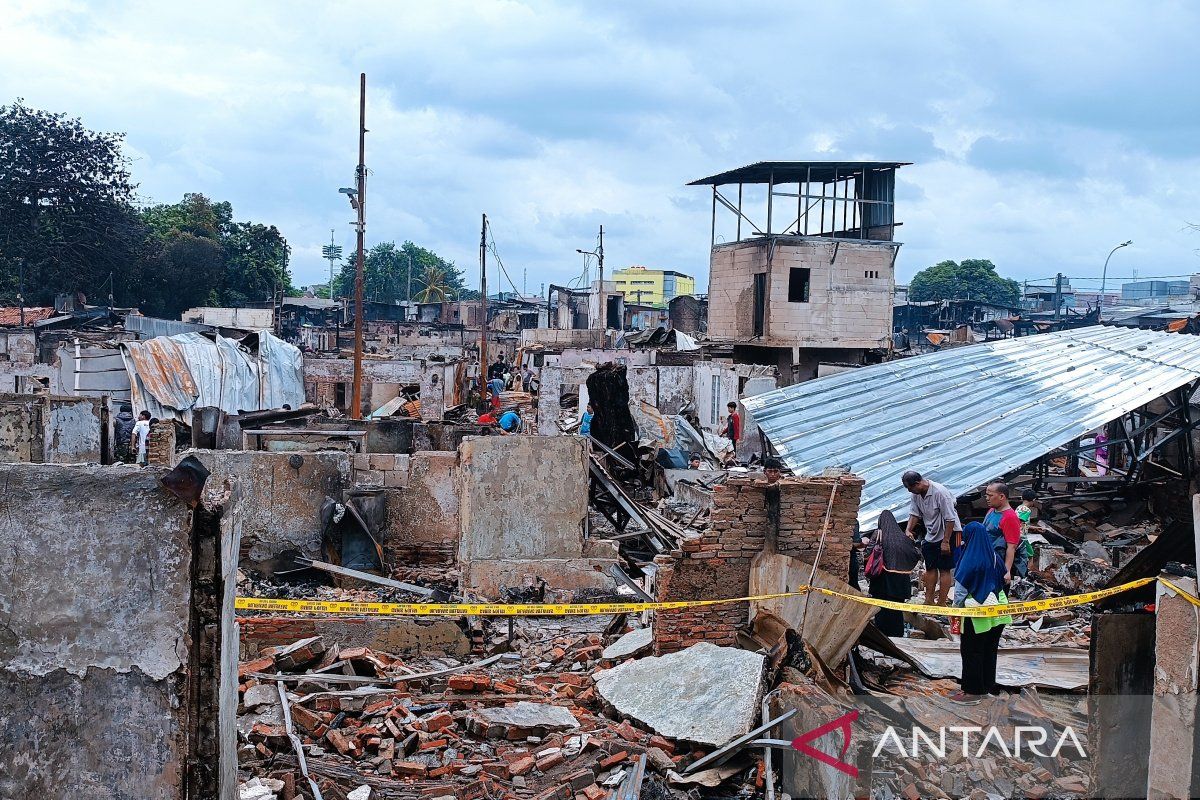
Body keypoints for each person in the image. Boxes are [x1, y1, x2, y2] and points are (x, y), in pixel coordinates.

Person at [951, 520, 1012, 702]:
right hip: (999, 611)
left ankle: (972, 691)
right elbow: (1004, 580)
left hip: (976, 614)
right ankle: (987, 685)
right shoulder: (995, 558)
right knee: (989, 649)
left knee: (972, 651)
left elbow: (960, 593)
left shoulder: (969, 561)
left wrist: (955, 613)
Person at [901, 470, 963, 606]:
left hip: (950, 532)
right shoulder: (916, 495)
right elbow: (914, 513)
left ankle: (941, 603)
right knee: (930, 567)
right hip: (931, 533)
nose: (909, 491)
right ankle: (928, 600)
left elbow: (950, 519)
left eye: (910, 488)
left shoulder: (940, 492)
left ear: (917, 483)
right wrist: (908, 529)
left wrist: (946, 542)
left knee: (945, 568)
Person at [864, 509, 922, 637]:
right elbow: (916, 554)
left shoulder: (878, 534)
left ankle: (883, 636)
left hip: (883, 580)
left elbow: (868, 554)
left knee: (882, 609)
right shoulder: (903, 537)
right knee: (896, 611)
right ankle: (897, 634)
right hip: (901, 582)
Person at [983, 482, 1022, 584]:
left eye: (990, 495)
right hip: (986, 558)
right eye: (986, 495)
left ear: (1001, 496)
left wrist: (1007, 571)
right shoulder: (992, 510)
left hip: (998, 561)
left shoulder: (1010, 517)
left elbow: (1011, 546)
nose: (987, 498)